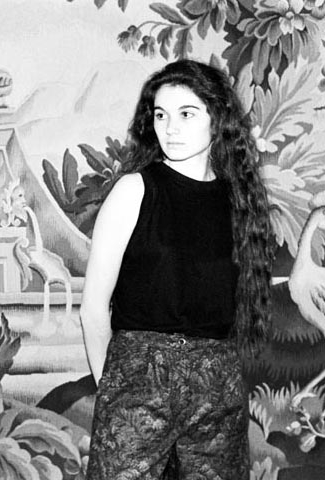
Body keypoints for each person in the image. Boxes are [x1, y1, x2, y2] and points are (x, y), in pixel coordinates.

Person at [80, 59, 274, 479]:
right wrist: (112, 388)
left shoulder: (240, 202)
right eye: (161, 115)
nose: (170, 128)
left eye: (186, 114)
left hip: (218, 385)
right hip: (137, 379)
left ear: (217, 119)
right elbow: (93, 308)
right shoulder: (134, 190)